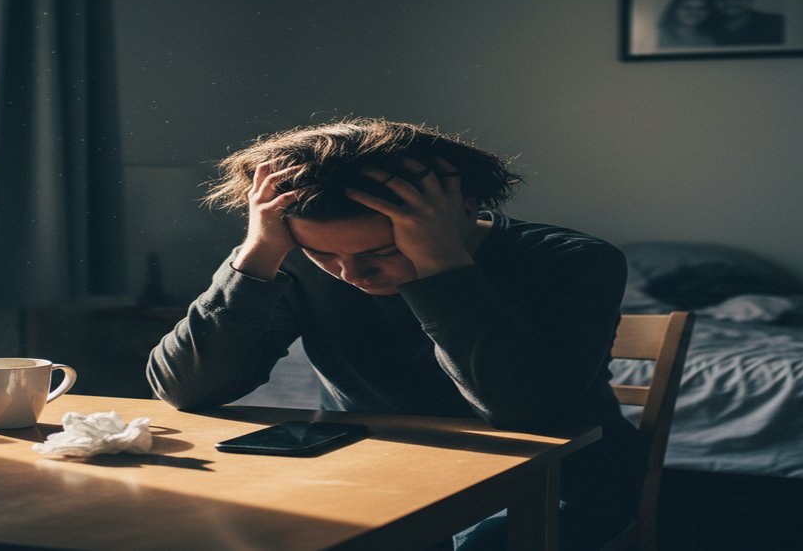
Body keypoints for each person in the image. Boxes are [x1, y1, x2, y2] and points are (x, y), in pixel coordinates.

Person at [147, 117, 646, 550]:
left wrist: (441, 265)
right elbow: (188, 389)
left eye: (382, 252)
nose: (351, 275)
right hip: (376, 471)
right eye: (325, 254)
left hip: (558, 476)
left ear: (464, 209)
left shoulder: (573, 261)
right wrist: (257, 255)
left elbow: (523, 411)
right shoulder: (296, 262)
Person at [709, 0, 785, 45]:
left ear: (751, 0)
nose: (731, 3)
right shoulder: (707, 26)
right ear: (715, 2)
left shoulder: (775, 23)